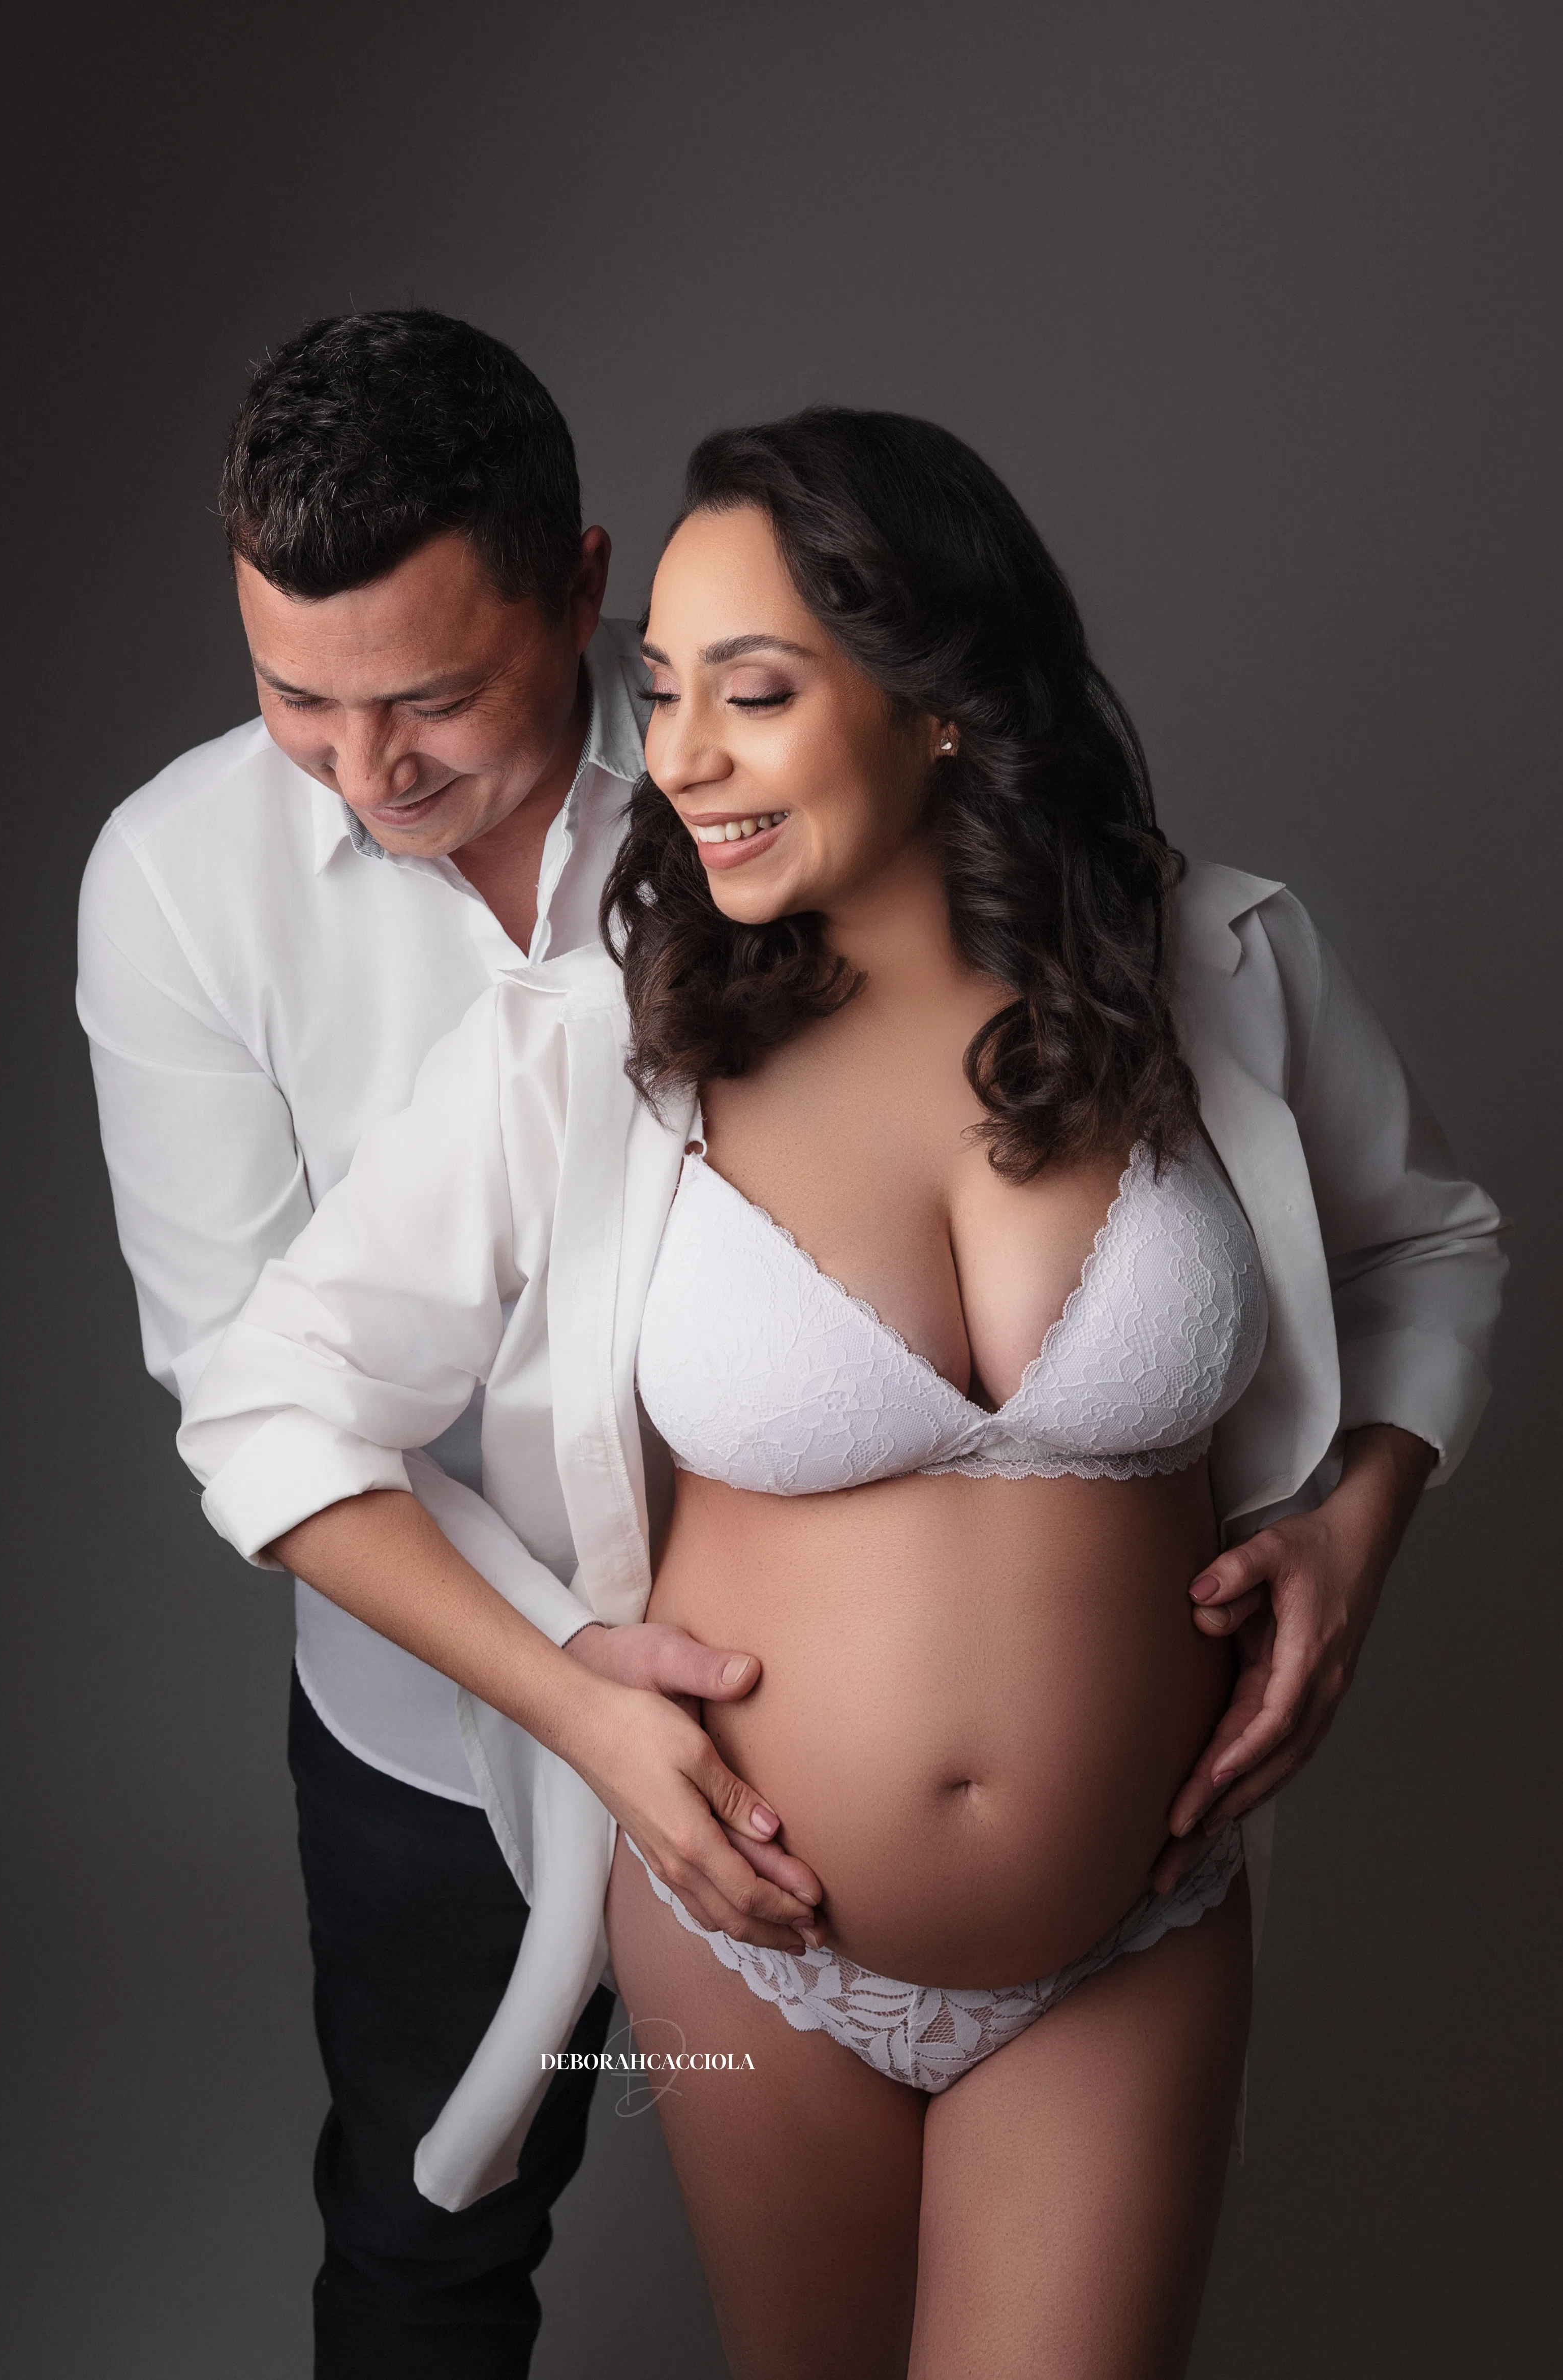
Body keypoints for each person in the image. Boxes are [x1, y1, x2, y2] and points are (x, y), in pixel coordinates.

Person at [175, 407, 1505, 2377]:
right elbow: (267, 1407)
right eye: (662, 691)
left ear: (945, 700)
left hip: (1134, 1919)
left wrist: (1359, 1521)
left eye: (756, 691)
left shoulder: (1218, 965)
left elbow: (1428, 1246)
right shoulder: (591, 1052)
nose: (680, 755)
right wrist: (575, 1707)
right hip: (752, 1948)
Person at [77, 309, 816, 2379]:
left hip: (821, 1716)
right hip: (424, 1728)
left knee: (848, 2275)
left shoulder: (764, 789)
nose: (369, 769)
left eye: (432, 698)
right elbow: (244, 1390)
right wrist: (575, 1702)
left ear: (583, 588)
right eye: (295, 697)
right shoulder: (176, 881)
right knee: (427, 2238)